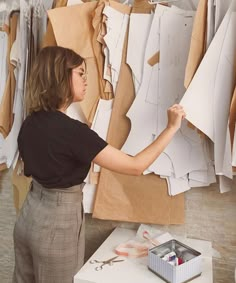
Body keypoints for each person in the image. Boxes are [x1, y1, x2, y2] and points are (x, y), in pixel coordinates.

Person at [13, 46, 186, 283]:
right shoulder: (73, 132)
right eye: (80, 74)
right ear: (61, 77)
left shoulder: (30, 123)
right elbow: (135, 166)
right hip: (57, 223)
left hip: (28, 216)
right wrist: (171, 128)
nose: (86, 80)